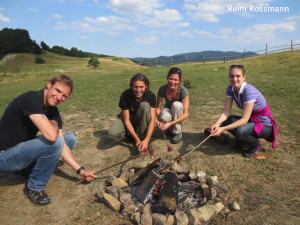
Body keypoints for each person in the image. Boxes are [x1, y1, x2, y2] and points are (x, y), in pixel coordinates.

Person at [0, 75, 97, 205]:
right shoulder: (30, 100)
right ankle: (34, 188)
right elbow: (52, 137)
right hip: (4, 156)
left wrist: (81, 170)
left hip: (20, 150)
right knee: (54, 141)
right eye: (58, 90)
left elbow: (62, 142)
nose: (59, 97)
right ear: (49, 85)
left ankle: (27, 168)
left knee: (69, 139)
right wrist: (55, 125)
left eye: (64, 96)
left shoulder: (53, 111)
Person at [210, 65, 277, 158]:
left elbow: (244, 120)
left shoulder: (249, 91)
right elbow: (226, 111)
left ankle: (257, 145)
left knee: (240, 131)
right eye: (232, 76)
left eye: (238, 76)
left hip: (264, 125)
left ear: (244, 77)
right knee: (225, 121)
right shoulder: (230, 89)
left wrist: (223, 129)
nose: (234, 79)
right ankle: (244, 140)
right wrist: (217, 124)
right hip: (251, 120)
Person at [108, 73, 156, 152]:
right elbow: (126, 120)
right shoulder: (126, 95)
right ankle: (130, 133)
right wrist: (136, 139)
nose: (138, 90)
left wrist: (147, 139)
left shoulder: (150, 96)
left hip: (141, 117)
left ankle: (143, 138)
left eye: (141, 87)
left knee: (145, 105)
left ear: (146, 86)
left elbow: (152, 119)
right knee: (112, 134)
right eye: (135, 87)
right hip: (128, 117)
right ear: (131, 86)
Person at [156, 67, 189, 144]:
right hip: (169, 109)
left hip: (180, 111)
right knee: (163, 116)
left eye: (176, 80)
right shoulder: (163, 89)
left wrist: (170, 123)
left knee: (176, 105)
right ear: (167, 78)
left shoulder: (183, 90)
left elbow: (186, 114)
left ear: (179, 80)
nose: (172, 82)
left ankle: (177, 132)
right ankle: (170, 129)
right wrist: (159, 120)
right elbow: (157, 108)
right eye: (171, 79)